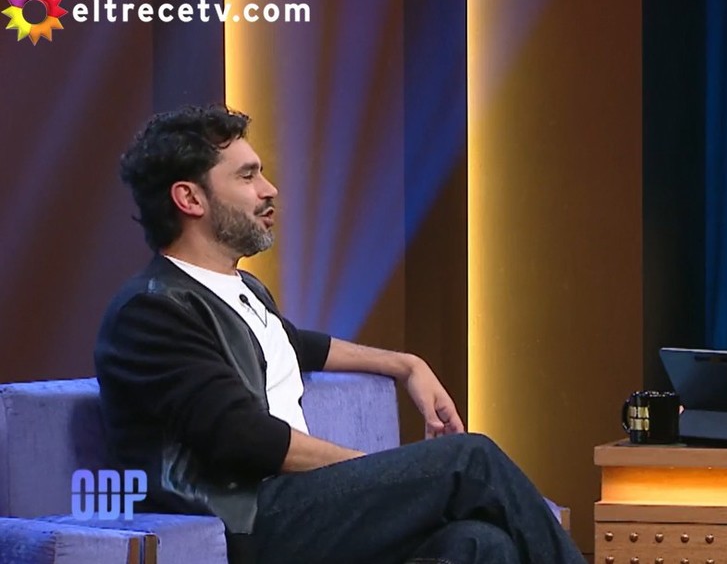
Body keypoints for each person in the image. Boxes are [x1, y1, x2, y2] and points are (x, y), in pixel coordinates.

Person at [94, 105, 586, 564]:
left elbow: (296, 345)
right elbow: (241, 437)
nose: (269, 189)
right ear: (189, 198)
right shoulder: (152, 310)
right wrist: (374, 473)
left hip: (293, 511)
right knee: (469, 459)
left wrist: (406, 364)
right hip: (246, 520)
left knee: (479, 543)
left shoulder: (242, 290)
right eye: (247, 176)